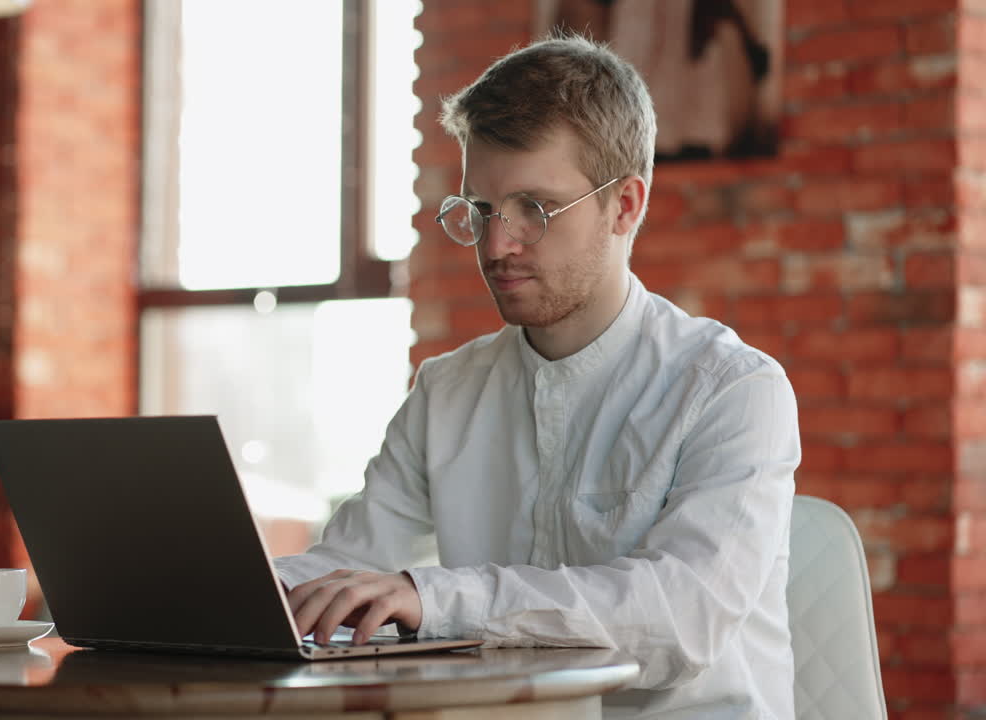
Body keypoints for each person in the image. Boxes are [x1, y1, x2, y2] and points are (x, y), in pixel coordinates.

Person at [273, 33, 800, 719]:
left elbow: (680, 619)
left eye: (535, 209)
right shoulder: (446, 393)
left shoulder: (734, 390)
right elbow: (343, 569)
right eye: (482, 210)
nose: (497, 245)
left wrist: (431, 596)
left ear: (626, 206)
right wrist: (217, 593)